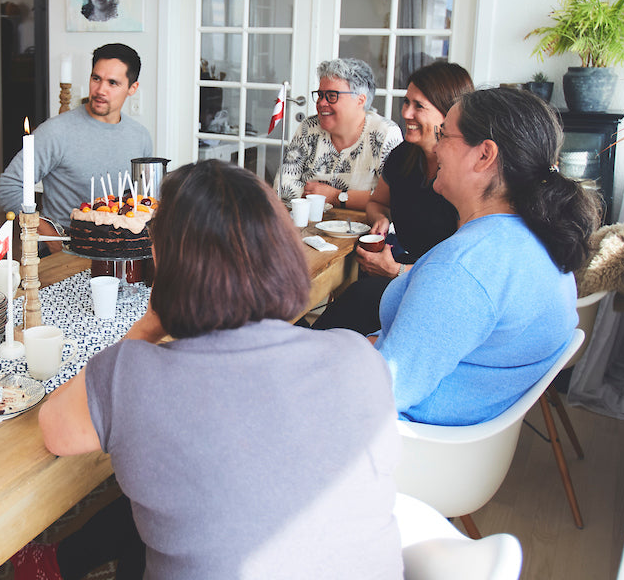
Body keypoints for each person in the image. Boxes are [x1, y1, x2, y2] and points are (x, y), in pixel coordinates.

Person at [21, 160, 401, 579]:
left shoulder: (129, 374)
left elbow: (55, 430)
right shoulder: (358, 356)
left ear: (163, 260)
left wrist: (147, 326)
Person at [374, 87, 600, 425]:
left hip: (406, 443)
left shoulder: (463, 268)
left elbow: (383, 393)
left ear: (484, 155)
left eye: (444, 134)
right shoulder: (540, 239)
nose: (435, 147)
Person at [311, 62, 472, 334]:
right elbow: (377, 203)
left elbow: (461, 273)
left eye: (419, 106)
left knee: (350, 308)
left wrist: (398, 271)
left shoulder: (464, 176)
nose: (406, 113)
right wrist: (381, 220)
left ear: (450, 113)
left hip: (437, 293)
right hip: (401, 272)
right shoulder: (403, 157)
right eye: (406, 102)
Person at [0, 43, 152, 254]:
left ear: (132, 88)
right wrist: (49, 235)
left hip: (121, 251)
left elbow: (141, 200)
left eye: (113, 83)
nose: (100, 90)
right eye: (96, 78)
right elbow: (8, 187)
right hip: (66, 248)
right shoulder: (56, 131)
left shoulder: (140, 136)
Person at [275, 58, 401, 210]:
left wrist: (335, 196)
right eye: (320, 95)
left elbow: (394, 197)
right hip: (310, 225)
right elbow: (282, 187)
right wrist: (357, 198)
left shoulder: (384, 133)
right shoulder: (309, 128)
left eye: (332, 96)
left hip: (364, 228)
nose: (321, 103)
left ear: (360, 100)